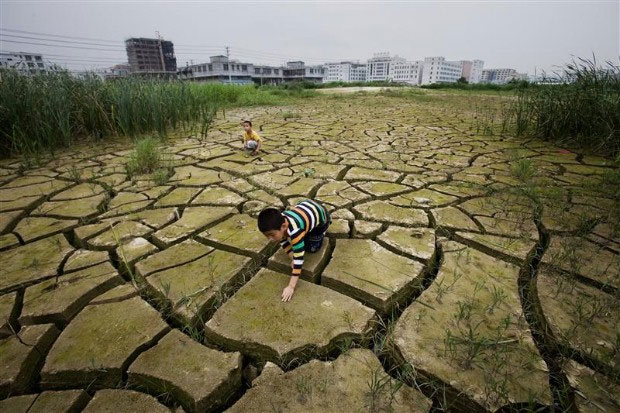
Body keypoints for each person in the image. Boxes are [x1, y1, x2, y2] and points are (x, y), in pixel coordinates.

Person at [258, 200, 331, 302]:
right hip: (306, 206)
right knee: (294, 241)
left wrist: (291, 287)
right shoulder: (280, 219)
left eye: (271, 235)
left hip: (322, 217)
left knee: (311, 248)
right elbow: (283, 241)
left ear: (283, 226)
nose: (270, 239)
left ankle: (323, 230)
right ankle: (306, 231)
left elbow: (299, 261)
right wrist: (292, 256)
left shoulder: (295, 231)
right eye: (267, 236)